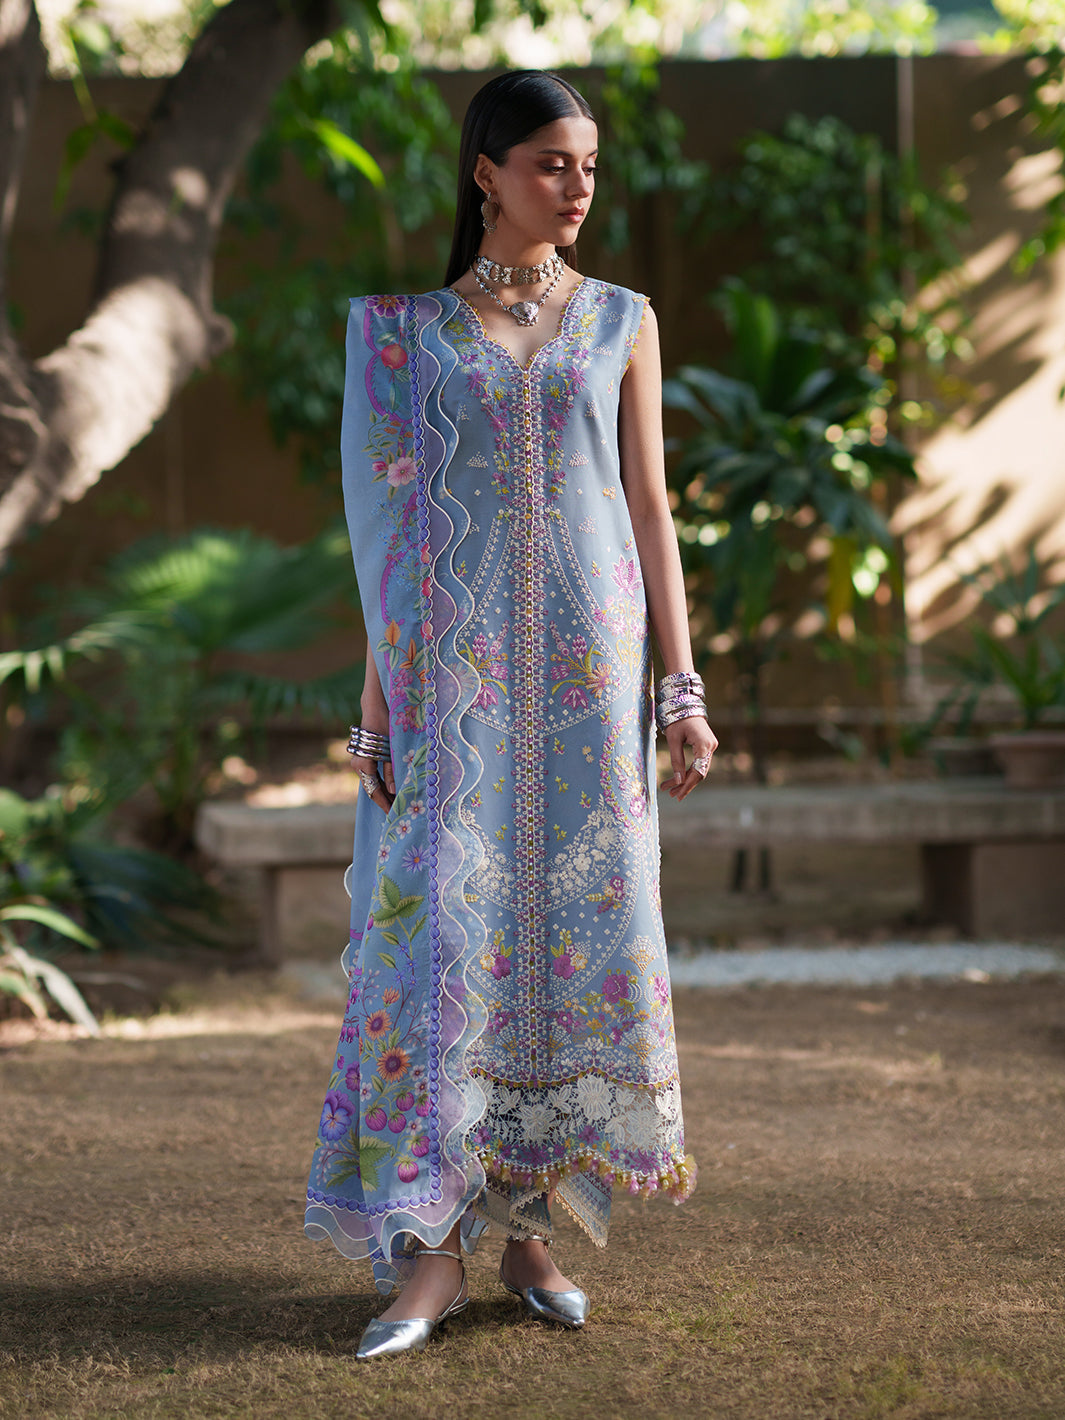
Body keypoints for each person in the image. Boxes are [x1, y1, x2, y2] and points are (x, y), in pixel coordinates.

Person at [304, 68, 718, 1361]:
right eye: (549, 161)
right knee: (445, 936)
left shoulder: (622, 321)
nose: (577, 184)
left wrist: (681, 686)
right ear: (486, 174)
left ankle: (530, 1232)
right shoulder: (402, 335)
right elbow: (382, 531)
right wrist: (377, 700)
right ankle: (428, 1250)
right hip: (453, 684)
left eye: (588, 163)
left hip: (591, 681)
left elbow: (648, 507)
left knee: (567, 939)